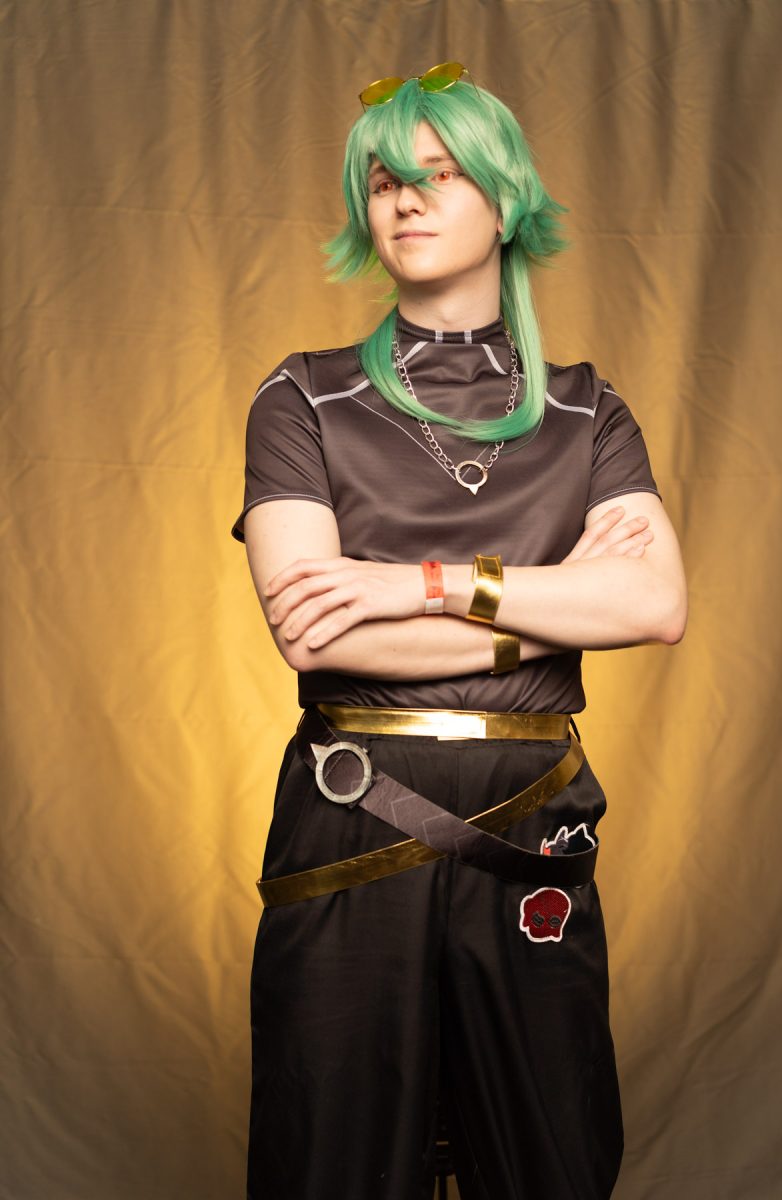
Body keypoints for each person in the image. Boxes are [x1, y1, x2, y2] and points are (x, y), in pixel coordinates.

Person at [232, 63, 687, 1200]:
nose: (404, 200)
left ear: (505, 197)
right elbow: (314, 633)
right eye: (384, 179)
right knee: (330, 1155)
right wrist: (556, 601)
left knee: (549, 1158)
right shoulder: (302, 397)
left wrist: (418, 585)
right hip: (347, 814)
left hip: (535, 818)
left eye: (438, 175)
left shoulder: (588, 411)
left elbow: (653, 607)